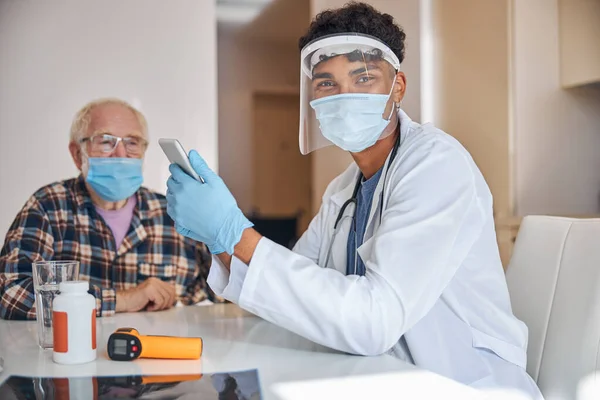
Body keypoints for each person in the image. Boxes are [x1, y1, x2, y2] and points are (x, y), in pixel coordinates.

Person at [166, 3, 542, 399]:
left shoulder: (436, 165)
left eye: (363, 77)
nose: (343, 96)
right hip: (381, 376)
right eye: (326, 83)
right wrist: (220, 240)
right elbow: (293, 291)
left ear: (398, 86)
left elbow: (375, 320)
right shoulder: (343, 189)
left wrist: (235, 232)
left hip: (463, 384)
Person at [0, 98, 219, 320]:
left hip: (155, 353)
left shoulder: (175, 213)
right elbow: (9, 295)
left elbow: (229, 289)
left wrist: (218, 218)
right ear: (78, 154)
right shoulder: (47, 206)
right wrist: (123, 299)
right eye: (106, 142)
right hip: (73, 353)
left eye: (132, 143)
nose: (121, 153)